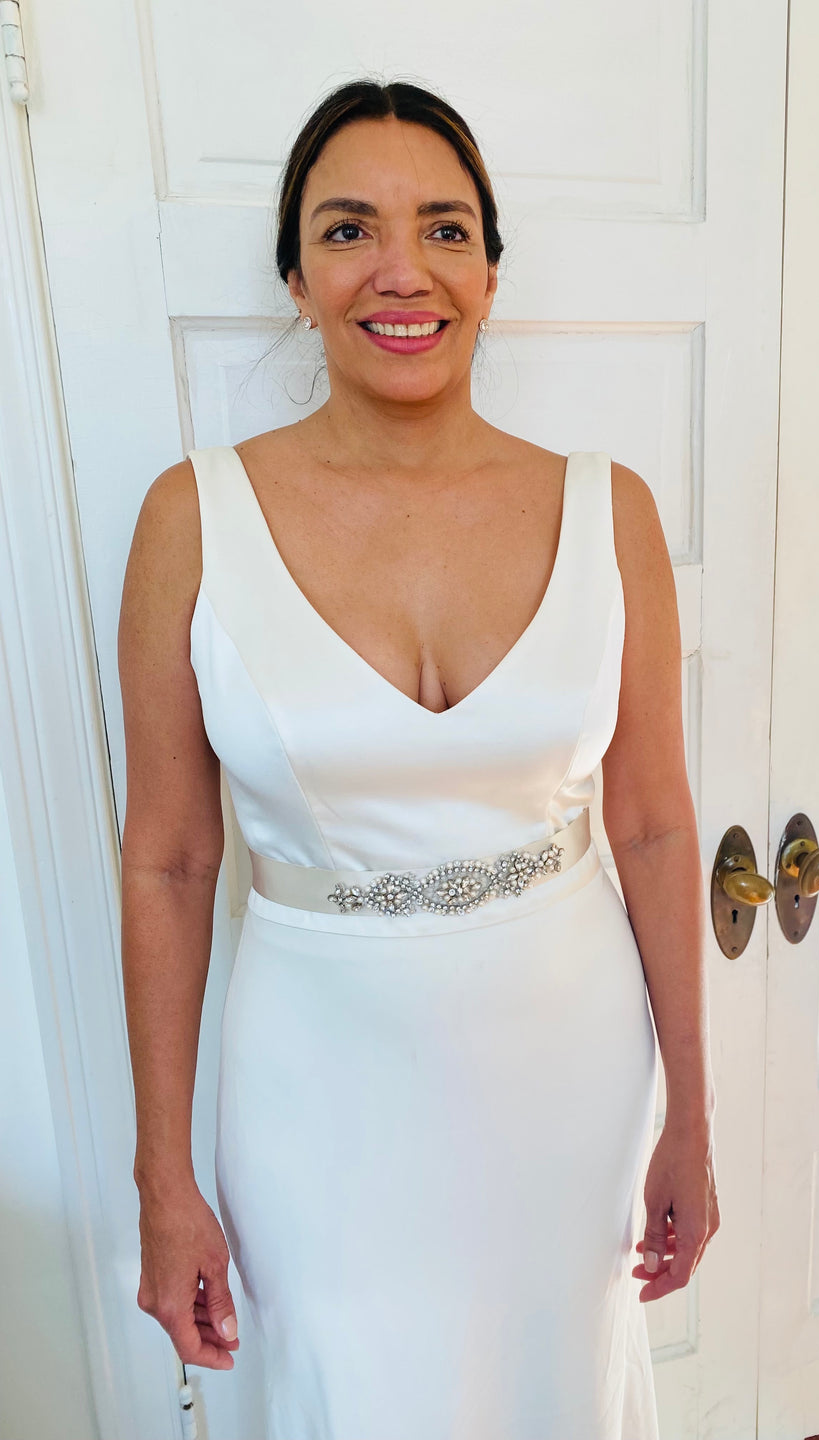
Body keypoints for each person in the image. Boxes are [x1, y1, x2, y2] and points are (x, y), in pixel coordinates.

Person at [118, 77, 719, 1440]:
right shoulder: (192, 520)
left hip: (569, 1072)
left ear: (491, 273)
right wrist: (162, 1173)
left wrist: (691, 1111)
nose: (403, 271)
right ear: (295, 275)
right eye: (349, 231)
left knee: (559, 1388)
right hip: (314, 1089)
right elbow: (169, 861)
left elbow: (653, 826)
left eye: (445, 230)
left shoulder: (609, 510)